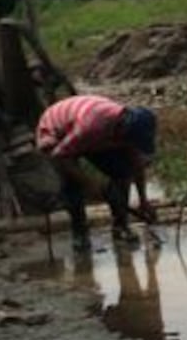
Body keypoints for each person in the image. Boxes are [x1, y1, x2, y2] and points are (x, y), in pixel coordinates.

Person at [35, 92, 158, 248]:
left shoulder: (128, 132)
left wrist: (143, 200)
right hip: (57, 132)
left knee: (122, 172)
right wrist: (90, 185)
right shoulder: (92, 127)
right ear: (122, 131)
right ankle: (80, 233)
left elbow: (136, 166)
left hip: (88, 132)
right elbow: (60, 157)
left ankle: (120, 226)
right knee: (72, 184)